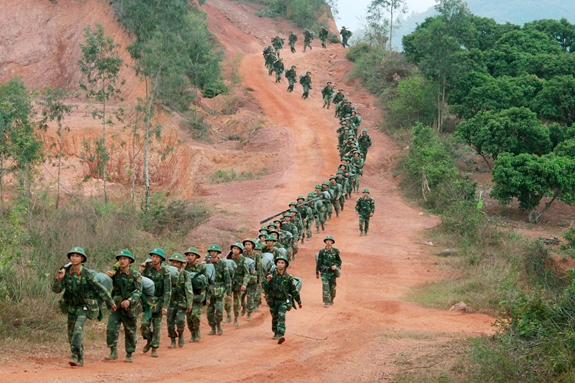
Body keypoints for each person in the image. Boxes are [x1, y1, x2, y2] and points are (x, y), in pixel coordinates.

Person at [52, 247, 115, 367]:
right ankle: (79, 355)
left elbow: (99, 288)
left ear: (82, 259)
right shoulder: (66, 272)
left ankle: (74, 355)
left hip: (84, 307)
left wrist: (110, 302)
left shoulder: (87, 274)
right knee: (71, 334)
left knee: (77, 329)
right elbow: (56, 290)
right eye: (72, 255)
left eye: (77, 256)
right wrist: (59, 279)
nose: (74, 258)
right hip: (71, 306)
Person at [106, 249, 142, 363]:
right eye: (120, 259)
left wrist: (129, 301)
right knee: (111, 328)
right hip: (116, 306)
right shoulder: (115, 274)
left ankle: (129, 353)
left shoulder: (136, 275)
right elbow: (105, 285)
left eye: (124, 259)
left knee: (130, 331)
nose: (122, 261)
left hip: (129, 308)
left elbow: (138, 291)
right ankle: (113, 351)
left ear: (130, 261)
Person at [262, 255, 302, 344]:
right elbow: (264, 287)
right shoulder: (271, 275)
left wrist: (299, 301)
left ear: (285, 265)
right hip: (272, 300)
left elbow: (294, 290)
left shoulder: (288, 277)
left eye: (282, 263)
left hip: (283, 301)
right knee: (274, 317)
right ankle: (275, 331)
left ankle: (280, 334)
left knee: (281, 316)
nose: (280, 264)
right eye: (278, 263)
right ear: (276, 264)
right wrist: (267, 281)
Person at [139, 248, 171, 357]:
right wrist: (141, 269)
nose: (154, 259)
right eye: (153, 256)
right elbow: (139, 282)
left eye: (156, 257)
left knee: (157, 326)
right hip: (147, 302)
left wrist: (165, 306)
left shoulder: (165, 271)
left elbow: (167, 290)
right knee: (144, 324)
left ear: (161, 259)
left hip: (159, 301)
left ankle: (154, 348)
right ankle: (149, 339)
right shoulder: (147, 268)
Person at [166, 253, 193, 348]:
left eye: (177, 262)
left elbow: (189, 289)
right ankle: (172, 339)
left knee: (180, 321)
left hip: (181, 302)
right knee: (170, 322)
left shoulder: (185, 274)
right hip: (170, 302)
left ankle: (181, 335)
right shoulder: (167, 273)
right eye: (173, 262)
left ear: (181, 264)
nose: (174, 264)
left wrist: (189, 303)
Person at [206, 244, 231, 335]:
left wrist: (228, 293)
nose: (213, 253)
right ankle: (212, 328)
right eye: (211, 252)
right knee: (209, 312)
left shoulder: (223, 264)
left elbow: (227, 279)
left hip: (220, 290)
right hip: (209, 290)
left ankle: (219, 325)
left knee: (219, 310)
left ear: (218, 253)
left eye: (215, 252)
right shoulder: (206, 263)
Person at [184, 247, 208, 342]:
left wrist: (207, 297)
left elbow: (206, 282)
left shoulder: (202, 267)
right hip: (187, 295)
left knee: (195, 315)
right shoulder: (185, 266)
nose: (190, 257)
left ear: (196, 257)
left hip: (198, 294)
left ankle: (197, 332)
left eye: (192, 255)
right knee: (189, 317)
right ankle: (192, 334)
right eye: (188, 255)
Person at [316, 236, 342, 308]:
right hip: (324, 272)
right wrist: (317, 272)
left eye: (330, 241)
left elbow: (339, 261)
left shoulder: (335, 251)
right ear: (325, 242)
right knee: (325, 287)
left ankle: (332, 299)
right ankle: (326, 302)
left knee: (332, 288)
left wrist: (336, 266)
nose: (328, 242)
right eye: (327, 241)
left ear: (332, 242)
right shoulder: (322, 251)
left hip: (332, 273)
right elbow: (319, 262)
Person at [229, 242, 250, 327]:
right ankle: (228, 315)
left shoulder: (243, 260)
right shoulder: (229, 258)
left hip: (239, 283)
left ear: (240, 251)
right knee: (226, 301)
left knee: (237, 302)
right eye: (234, 248)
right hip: (229, 282)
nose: (235, 250)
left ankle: (236, 319)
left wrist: (244, 284)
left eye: (237, 249)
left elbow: (246, 273)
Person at [242, 238, 262, 320]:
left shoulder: (257, 255)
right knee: (241, 297)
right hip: (242, 280)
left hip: (252, 280)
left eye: (249, 244)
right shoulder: (241, 255)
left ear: (252, 245)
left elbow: (259, 269)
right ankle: (243, 307)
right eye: (246, 244)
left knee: (250, 298)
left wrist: (259, 281)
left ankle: (249, 313)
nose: (247, 246)